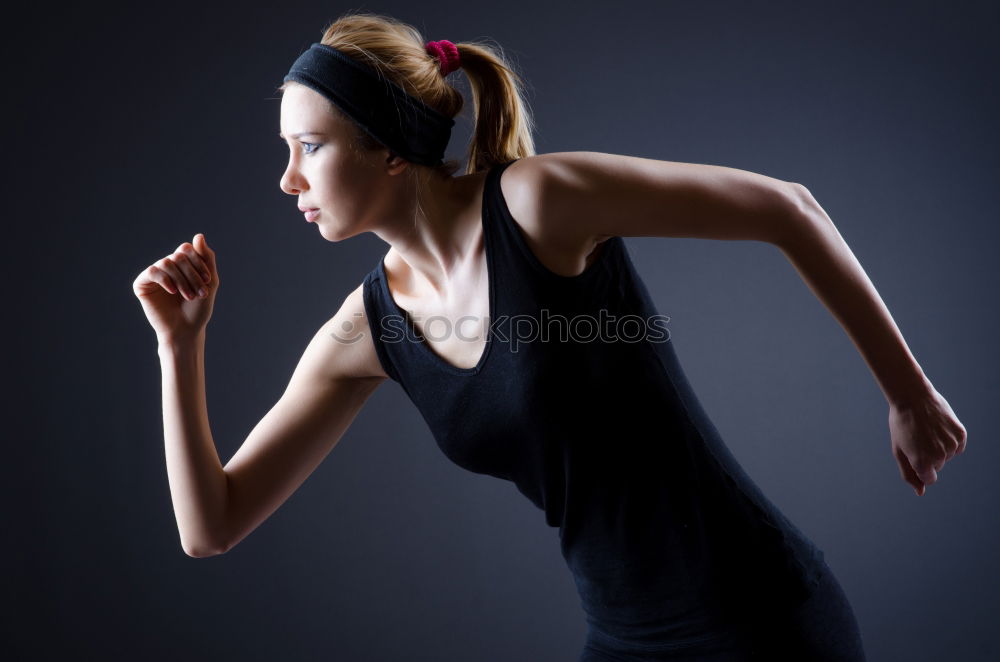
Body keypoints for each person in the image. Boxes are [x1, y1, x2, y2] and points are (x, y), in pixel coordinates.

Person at [132, 11, 967, 661]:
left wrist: (908, 395)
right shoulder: (363, 332)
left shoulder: (535, 204)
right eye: (286, 150)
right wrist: (182, 346)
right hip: (626, 638)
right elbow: (212, 528)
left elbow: (789, 206)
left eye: (310, 147)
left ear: (390, 151)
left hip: (761, 621)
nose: (289, 179)